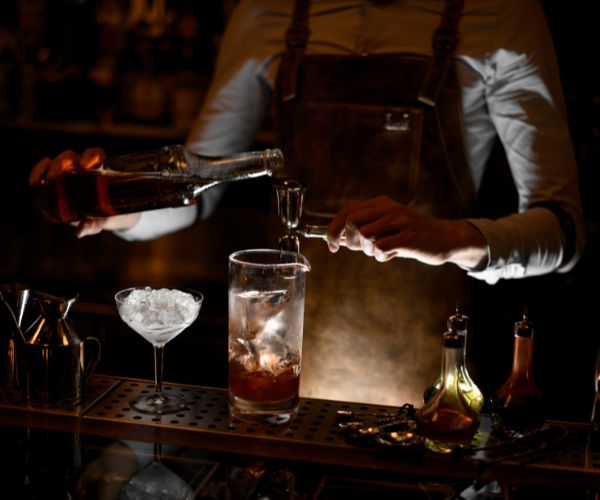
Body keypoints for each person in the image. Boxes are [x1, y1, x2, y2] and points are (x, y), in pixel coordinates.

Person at [29, 0, 585, 407]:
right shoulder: (267, 14)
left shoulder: (501, 15)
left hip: (438, 380)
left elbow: (562, 233)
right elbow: (200, 188)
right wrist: (120, 211)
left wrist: (448, 237)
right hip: (280, 362)